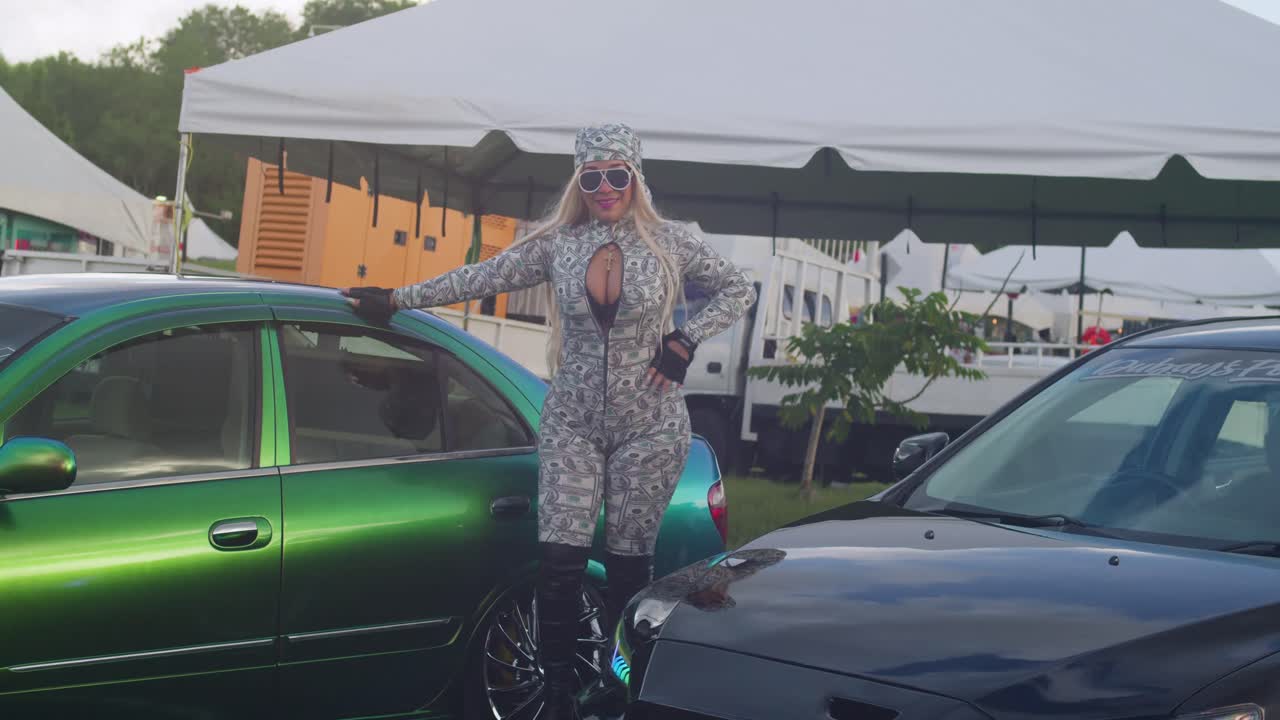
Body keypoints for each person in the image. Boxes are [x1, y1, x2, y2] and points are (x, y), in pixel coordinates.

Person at [343, 123, 756, 718]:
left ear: (636, 178)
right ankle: (557, 698)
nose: (606, 187)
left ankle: (620, 690)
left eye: (618, 175)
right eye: (593, 177)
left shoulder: (670, 242)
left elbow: (737, 290)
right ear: (579, 181)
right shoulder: (559, 244)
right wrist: (397, 299)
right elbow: (479, 277)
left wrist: (685, 339)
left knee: (626, 567)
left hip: (650, 424)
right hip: (574, 420)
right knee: (560, 563)